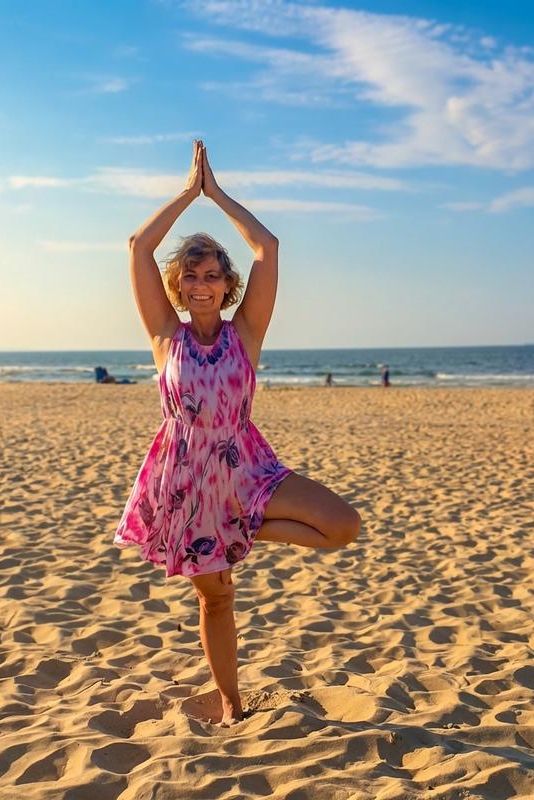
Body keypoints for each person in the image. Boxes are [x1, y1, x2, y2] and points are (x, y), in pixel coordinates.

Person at [113, 140, 362, 726]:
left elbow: (267, 247)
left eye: (213, 275)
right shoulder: (162, 335)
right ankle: (229, 698)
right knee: (216, 597)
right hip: (186, 477)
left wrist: (216, 194)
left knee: (342, 526)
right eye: (192, 276)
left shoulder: (246, 332)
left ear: (228, 284)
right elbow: (138, 246)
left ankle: (246, 532)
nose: (202, 284)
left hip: (246, 466)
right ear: (178, 285)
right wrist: (185, 193)